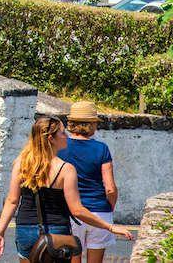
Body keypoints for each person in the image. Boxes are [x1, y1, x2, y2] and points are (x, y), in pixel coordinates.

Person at [0, 117, 131, 261]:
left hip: (25, 229)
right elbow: (77, 210)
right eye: (63, 133)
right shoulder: (66, 169)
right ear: (51, 138)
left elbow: (12, 201)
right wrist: (110, 227)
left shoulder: (21, 163)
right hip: (57, 231)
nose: (67, 136)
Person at [59, 102, 118, 263]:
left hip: (70, 212)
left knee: (72, 258)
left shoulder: (60, 147)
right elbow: (110, 188)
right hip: (99, 211)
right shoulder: (101, 148)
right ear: (92, 124)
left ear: (71, 123)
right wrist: (109, 207)